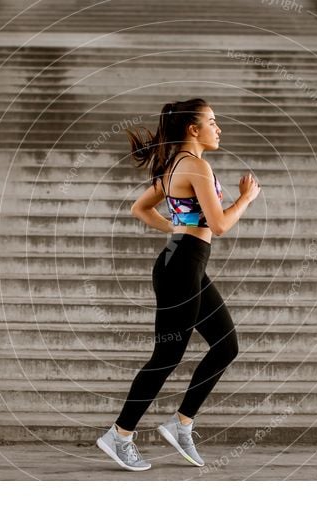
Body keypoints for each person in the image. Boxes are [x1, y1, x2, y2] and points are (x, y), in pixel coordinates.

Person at [95, 98, 261, 471]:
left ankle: (181, 423)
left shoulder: (177, 166)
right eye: (213, 122)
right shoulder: (195, 166)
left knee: (225, 345)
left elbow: (140, 208)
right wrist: (246, 199)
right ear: (193, 129)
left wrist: (176, 227)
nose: (218, 128)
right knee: (166, 356)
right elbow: (219, 226)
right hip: (181, 265)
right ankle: (120, 436)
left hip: (186, 263)